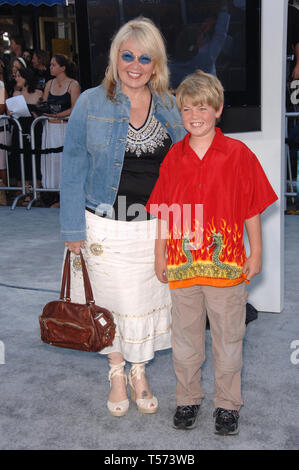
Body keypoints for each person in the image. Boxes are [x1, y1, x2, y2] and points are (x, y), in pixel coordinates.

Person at [60, 17, 186, 417]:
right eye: (127, 55)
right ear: (116, 57)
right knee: (110, 305)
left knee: (144, 303)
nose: (135, 64)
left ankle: (139, 371)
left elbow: (188, 167)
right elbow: (72, 166)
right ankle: (117, 371)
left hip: (154, 228)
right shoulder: (90, 102)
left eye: (144, 57)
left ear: (156, 63)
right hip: (103, 225)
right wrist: (71, 229)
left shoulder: (169, 103)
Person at [146, 70, 278, 434]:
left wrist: (257, 252)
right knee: (185, 340)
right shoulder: (174, 157)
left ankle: (227, 405)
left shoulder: (239, 155)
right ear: (180, 112)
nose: (195, 116)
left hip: (228, 266)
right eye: (187, 109)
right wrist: (160, 255)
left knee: (228, 339)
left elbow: (251, 208)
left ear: (218, 110)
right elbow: (164, 212)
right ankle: (188, 399)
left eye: (202, 108)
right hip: (183, 268)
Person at [40, 54, 80, 207]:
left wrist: (58, 115)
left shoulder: (73, 84)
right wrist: (44, 111)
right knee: (51, 160)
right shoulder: (49, 84)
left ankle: (67, 194)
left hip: (65, 128)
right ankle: (52, 193)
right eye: (50, 65)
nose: (50, 67)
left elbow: (75, 107)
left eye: (53, 65)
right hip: (50, 128)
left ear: (62, 68)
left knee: (65, 160)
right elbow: (44, 103)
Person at [9, 67, 43, 204]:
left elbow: (43, 111)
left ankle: (38, 192)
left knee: (34, 159)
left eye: (19, 76)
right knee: (21, 159)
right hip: (19, 129)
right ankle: (25, 192)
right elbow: (10, 110)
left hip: (34, 129)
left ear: (26, 78)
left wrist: (35, 112)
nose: (16, 78)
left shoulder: (38, 93)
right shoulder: (15, 93)